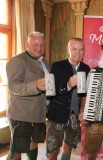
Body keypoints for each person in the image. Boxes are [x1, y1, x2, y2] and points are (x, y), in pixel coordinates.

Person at [6, 31, 49, 160]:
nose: (39, 48)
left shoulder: (44, 62)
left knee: (33, 144)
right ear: (27, 45)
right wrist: (35, 85)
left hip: (39, 114)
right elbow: (13, 87)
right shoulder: (17, 61)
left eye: (42, 45)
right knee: (18, 149)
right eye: (35, 44)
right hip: (21, 115)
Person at [46, 37, 90, 160]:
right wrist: (68, 85)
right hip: (57, 115)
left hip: (74, 116)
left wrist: (81, 110)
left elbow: (84, 94)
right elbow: (50, 92)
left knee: (68, 147)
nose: (78, 52)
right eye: (74, 49)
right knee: (53, 151)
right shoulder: (57, 66)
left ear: (84, 51)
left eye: (81, 49)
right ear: (68, 50)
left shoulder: (86, 69)